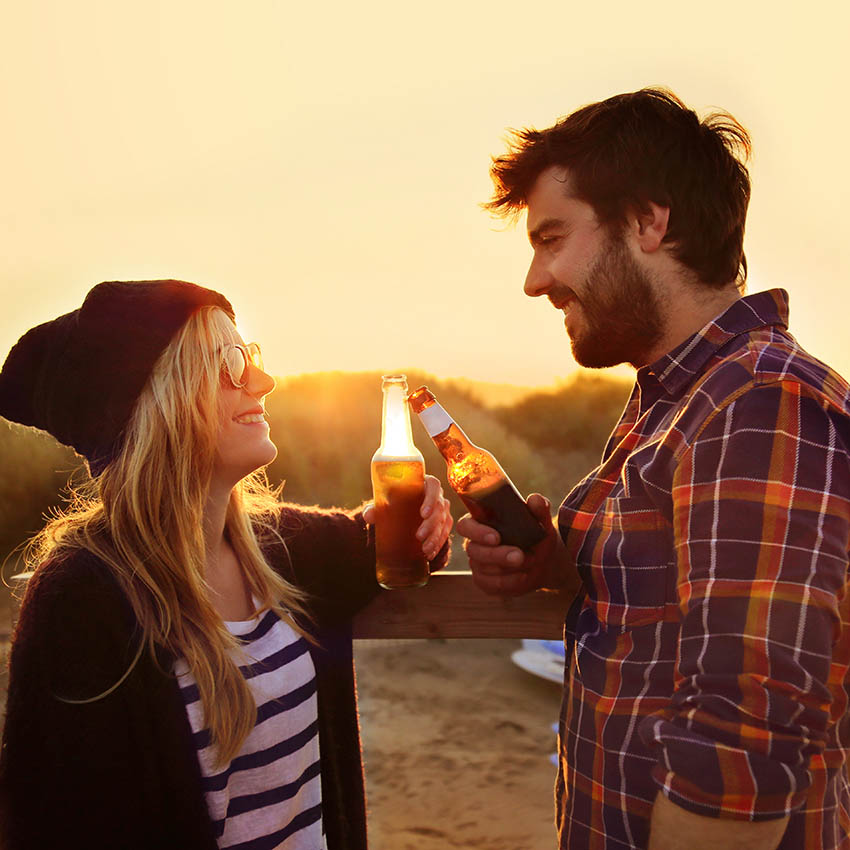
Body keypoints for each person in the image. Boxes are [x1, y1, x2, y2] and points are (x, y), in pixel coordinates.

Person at [458, 88, 850, 850]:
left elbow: (744, 735)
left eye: (552, 237)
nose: (535, 280)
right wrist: (559, 567)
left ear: (648, 219)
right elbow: (672, 615)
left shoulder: (758, 401)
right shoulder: (677, 398)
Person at [0, 279, 453, 850]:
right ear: (154, 403)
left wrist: (424, 523)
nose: (264, 382)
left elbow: (381, 545)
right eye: (230, 365)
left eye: (252, 357)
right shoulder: (83, 598)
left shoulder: (278, 548)